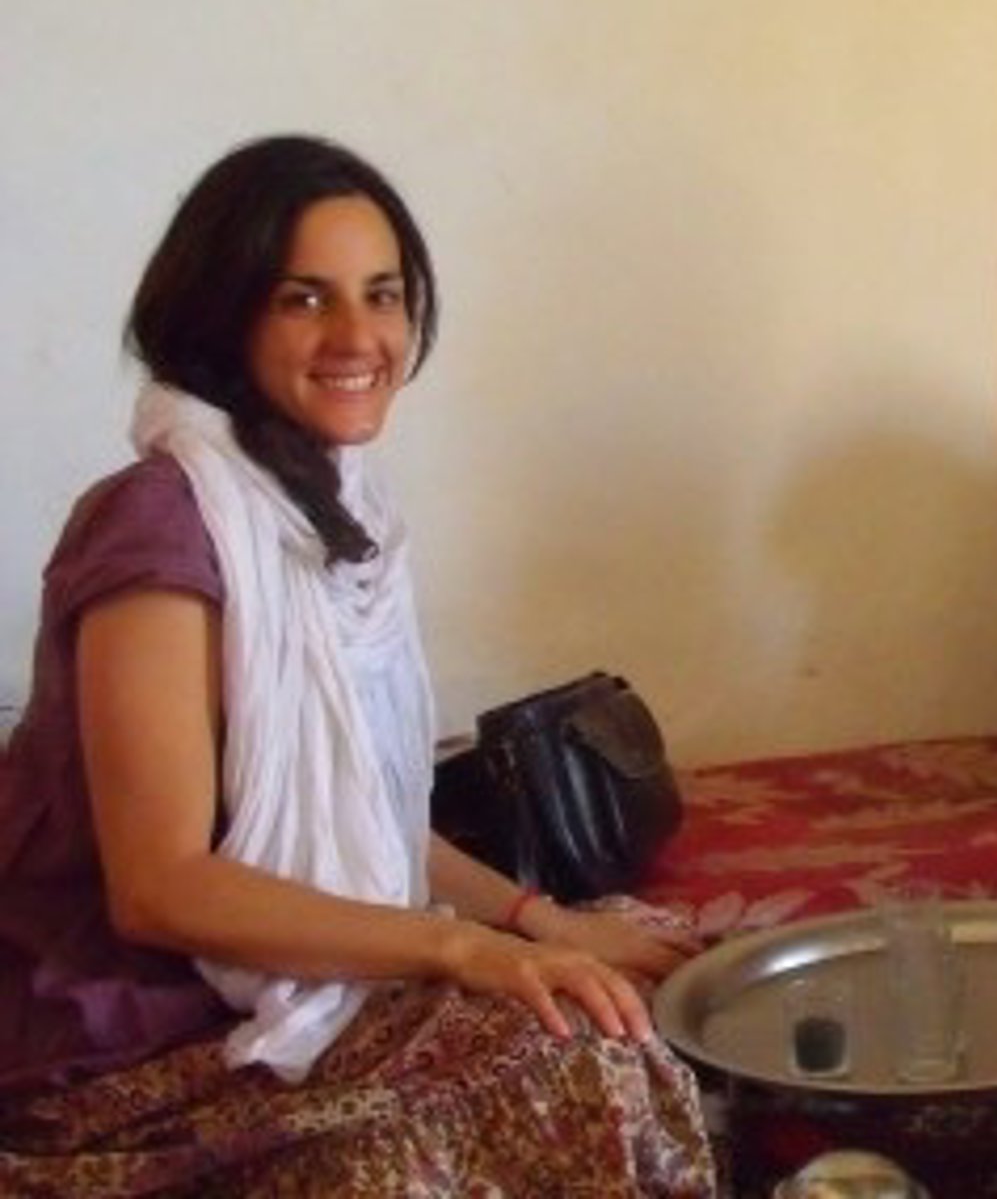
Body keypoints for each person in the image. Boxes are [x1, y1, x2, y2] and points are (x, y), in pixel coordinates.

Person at [0, 136, 715, 1194]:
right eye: (304, 299)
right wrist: (458, 949)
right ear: (222, 316)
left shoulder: (330, 509)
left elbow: (366, 816)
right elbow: (162, 887)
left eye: (382, 295)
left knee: (641, 967)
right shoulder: (159, 525)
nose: (358, 337)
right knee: (564, 1056)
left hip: (290, 981)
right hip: (136, 1036)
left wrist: (534, 919)